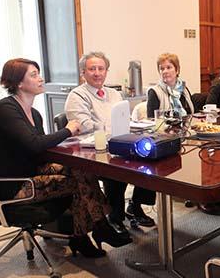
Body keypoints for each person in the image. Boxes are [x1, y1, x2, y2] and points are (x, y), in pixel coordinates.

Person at [0, 58, 131, 258]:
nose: (40, 78)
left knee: (81, 170)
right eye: (34, 75)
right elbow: (35, 144)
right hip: (14, 183)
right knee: (77, 182)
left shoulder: (34, 113)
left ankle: (92, 230)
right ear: (18, 82)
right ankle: (94, 229)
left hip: (32, 169)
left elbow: (40, 148)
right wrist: (67, 130)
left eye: (38, 73)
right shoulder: (6, 109)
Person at [65, 52, 156, 232]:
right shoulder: (77, 96)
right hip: (93, 150)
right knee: (117, 169)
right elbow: (83, 126)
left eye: (101, 69)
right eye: (92, 69)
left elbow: (124, 119)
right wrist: (111, 128)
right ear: (83, 72)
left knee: (150, 157)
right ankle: (115, 216)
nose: (97, 73)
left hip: (117, 142)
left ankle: (135, 205)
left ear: (106, 71)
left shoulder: (114, 93)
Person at [147, 53, 194, 118]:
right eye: (162, 69)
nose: (165, 71)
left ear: (177, 70)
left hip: (186, 126)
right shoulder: (154, 92)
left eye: (168, 67)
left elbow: (191, 114)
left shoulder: (183, 89)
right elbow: (151, 120)